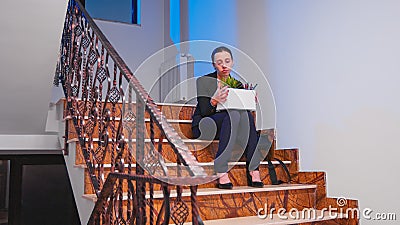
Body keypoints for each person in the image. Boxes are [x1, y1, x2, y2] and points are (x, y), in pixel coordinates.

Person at [192, 46, 264, 189]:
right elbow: (205, 111)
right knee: (233, 115)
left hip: (230, 125)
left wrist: (249, 100)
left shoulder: (237, 85)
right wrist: (214, 100)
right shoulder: (204, 81)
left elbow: (241, 112)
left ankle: (253, 169)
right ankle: (221, 167)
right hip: (205, 124)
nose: (224, 65)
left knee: (246, 115)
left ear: (232, 62)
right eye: (219, 62)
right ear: (214, 65)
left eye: (227, 61)